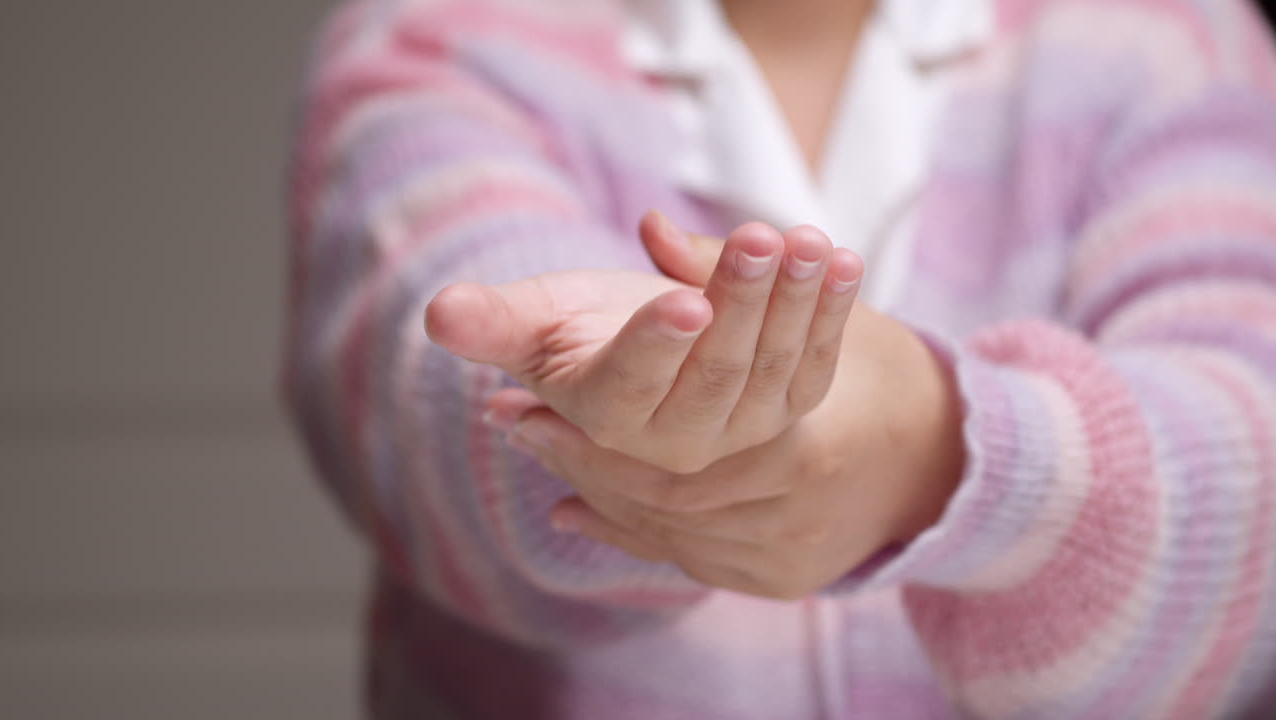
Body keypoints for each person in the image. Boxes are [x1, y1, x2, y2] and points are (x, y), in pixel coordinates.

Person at [283, 0, 1276, 717]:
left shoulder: (1175, 39)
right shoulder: (431, 37)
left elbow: (1247, 484)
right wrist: (621, 408)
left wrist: (938, 451)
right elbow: (426, 400)